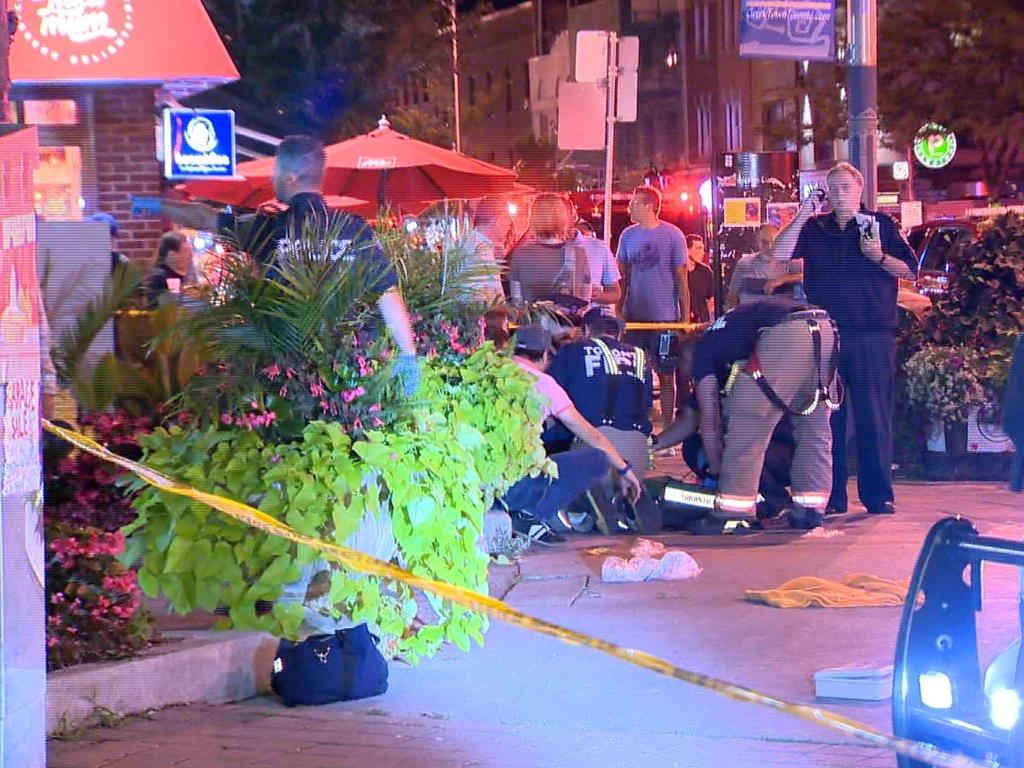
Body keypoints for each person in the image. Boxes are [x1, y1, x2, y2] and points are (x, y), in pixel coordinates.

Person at [771, 161, 918, 516]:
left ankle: (878, 494)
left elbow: (910, 269)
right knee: (826, 420)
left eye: (845, 189)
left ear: (860, 192)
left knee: (873, 414)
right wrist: (804, 210)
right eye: (832, 188)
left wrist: (878, 256)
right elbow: (778, 254)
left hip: (871, 333)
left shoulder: (879, 226)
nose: (838, 195)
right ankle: (832, 493)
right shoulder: (816, 228)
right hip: (826, 335)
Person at [254, 135, 421, 397]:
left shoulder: (266, 230)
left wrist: (164, 205)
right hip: (347, 378)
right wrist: (409, 355)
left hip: (283, 379)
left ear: (289, 176)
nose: (271, 178)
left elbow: (206, 219)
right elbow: (387, 294)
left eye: (275, 170)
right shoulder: (354, 229)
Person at [659, 297, 839, 529]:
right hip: (824, 329)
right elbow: (692, 419)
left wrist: (716, 471)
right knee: (812, 422)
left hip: (786, 332)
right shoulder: (732, 340)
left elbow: (710, 421)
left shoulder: (704, 351)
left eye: (682, 369)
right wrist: (654, 442)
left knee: (747, 422)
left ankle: (734, 512)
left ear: (686, 356)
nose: (687, 376)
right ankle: (810, 509)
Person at [502, 324, 642, 543]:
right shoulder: (544, 384)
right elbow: (592, 436)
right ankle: (529, 516)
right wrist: (624, 470)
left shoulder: (487, 373)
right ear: (547, 354)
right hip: (514, 488)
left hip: (477, 486)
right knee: (597, 460)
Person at [545, 306, 654, 479]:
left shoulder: (573, 351)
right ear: (618, 332)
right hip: (636, 453)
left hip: (591, 451)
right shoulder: (641, 357)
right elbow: (647, 405)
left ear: (586, 329)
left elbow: (546, 396)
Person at [616, 185, 690, 431]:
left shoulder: (673, 235)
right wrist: (618, 310)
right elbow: (622, 277)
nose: (630, 208)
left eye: (634, 203)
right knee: (634, 372)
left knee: (666, 373)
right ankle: (638, 423)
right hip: (635, 318)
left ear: (648, 206)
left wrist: (684, 319)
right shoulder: (627, 235)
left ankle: (668, 427)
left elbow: (681, 279)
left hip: (665, 320)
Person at [508, 194, 591, 304]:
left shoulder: (520, 255)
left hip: (531, 319)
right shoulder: (579, 254)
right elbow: (585, 301)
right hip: (567, 320)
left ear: (534, 219)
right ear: (563, 219)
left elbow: (517, 301)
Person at [726, 224, 802, 310]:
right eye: (764, 242)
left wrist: (781, 280)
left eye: (774, 241)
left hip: (782, 320)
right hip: (750, 319)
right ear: (757, 241)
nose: (769, 247)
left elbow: (809, 277)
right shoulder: (744, 263)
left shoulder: (791, 262)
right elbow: (732, 296)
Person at [459, 195, 510, 302]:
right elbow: (473, 299)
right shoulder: (476, 249)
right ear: (498, 219)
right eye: (508, 219)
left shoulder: (475, 243)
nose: (509, 225)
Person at [571, 218, 621, 306]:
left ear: (573, 215)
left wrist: (598, 295)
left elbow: (615, 293)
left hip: (591, 314)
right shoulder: (539, 247)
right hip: (550, 315)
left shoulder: (598, 246)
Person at [143, 231, 194, 307]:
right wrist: (180, 294)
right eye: (186, 252)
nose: (190, 257)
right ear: (172, 254)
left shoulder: (185, 275)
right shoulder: (158, 278)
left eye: (190, 252)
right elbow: (153, 306)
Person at [685, 234, 714, 323]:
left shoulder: (706, 272)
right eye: (698, 248)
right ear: (687, 250)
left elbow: (712, 297)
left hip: (701, 322)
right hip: (682, 322)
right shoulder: (676, 272)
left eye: (702, 248)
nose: (702, 252)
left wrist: (705, 316)